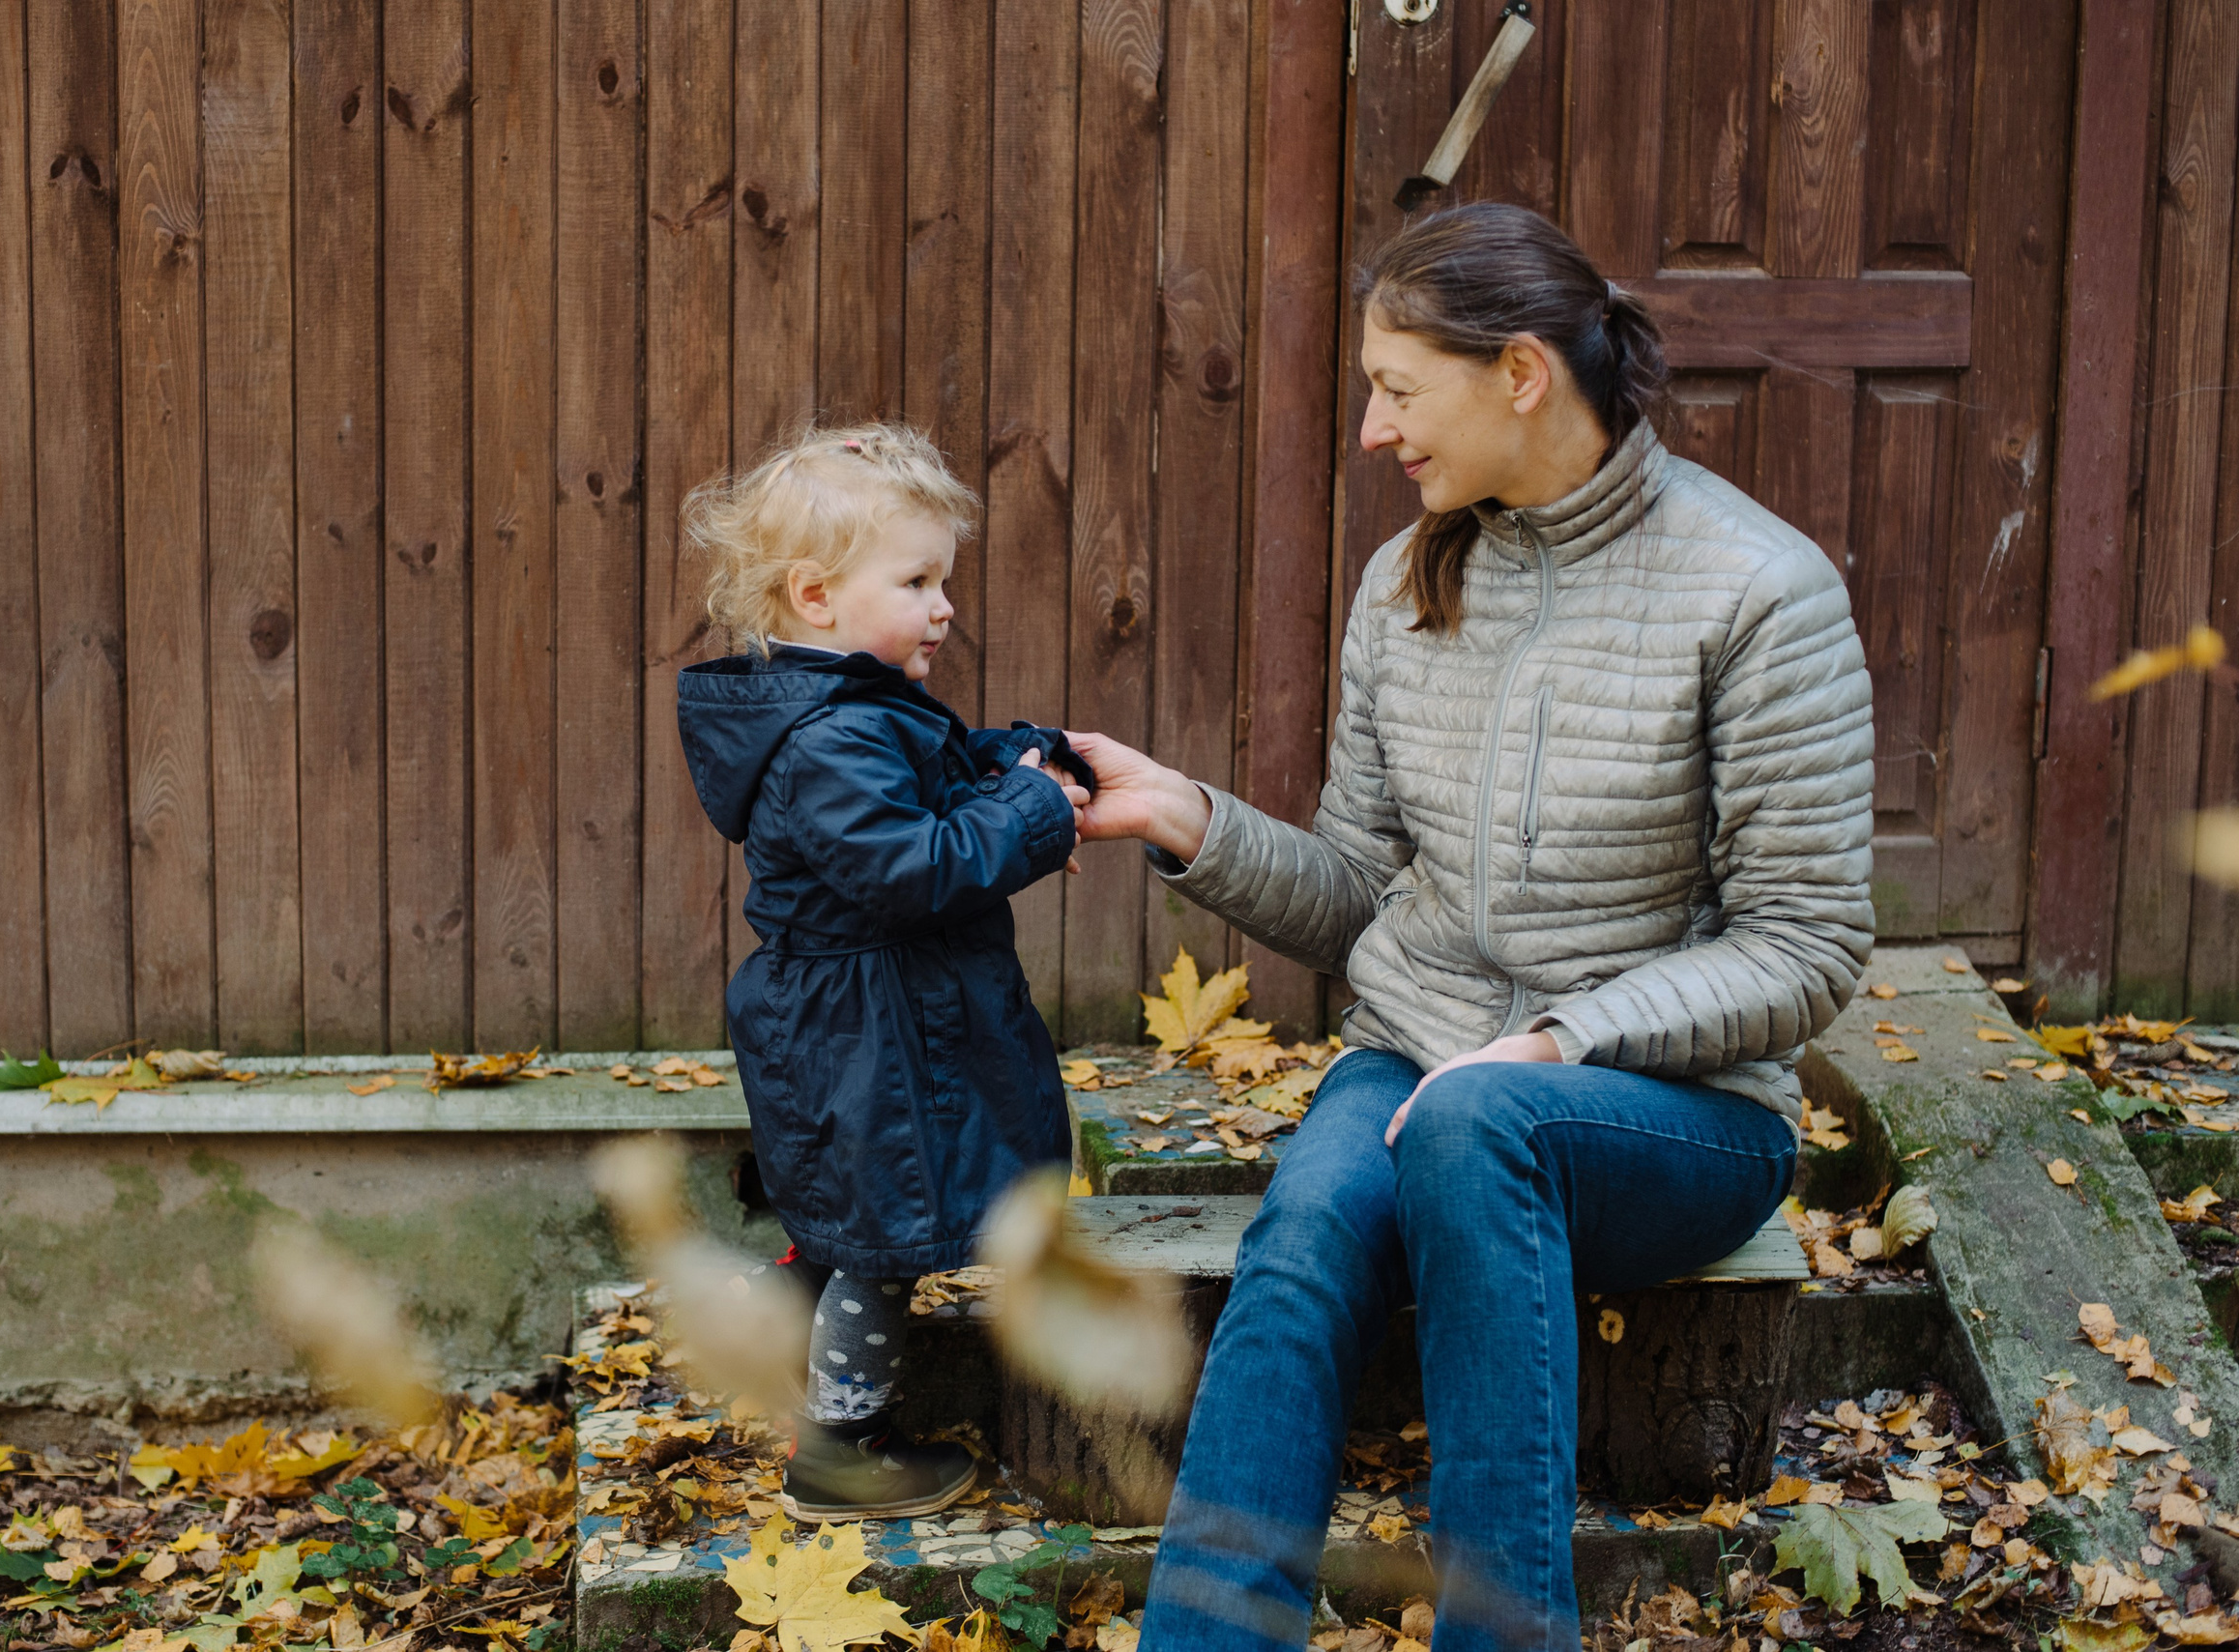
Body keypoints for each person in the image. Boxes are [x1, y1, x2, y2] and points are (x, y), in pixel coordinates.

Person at [1065, 202, 1875, 1651]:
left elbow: (1807, 952)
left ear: (1518, 373)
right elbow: (1365, 897)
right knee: (1307, 1229)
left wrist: (1562, 1039)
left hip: (1672, 1113)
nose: (1374, 433)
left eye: (1395, 387)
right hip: (1425, 1056)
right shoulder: (1408, 582)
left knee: (1472, 1124)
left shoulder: (1759, 590)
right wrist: (1189, 819)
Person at [676, 421, 1091, 1522]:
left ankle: (774, 1337)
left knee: (848, 1209)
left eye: (941, 577)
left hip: (868, 1015)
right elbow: (910, 865)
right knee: (879, 1238)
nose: (944, 604)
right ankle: (841, 1446)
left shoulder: (850, 711)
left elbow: (935, 784)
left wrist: (1017, 759)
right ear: (815, 597)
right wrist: (1034, 812)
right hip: (866, 1024)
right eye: (916, 579)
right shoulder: (828, 738)